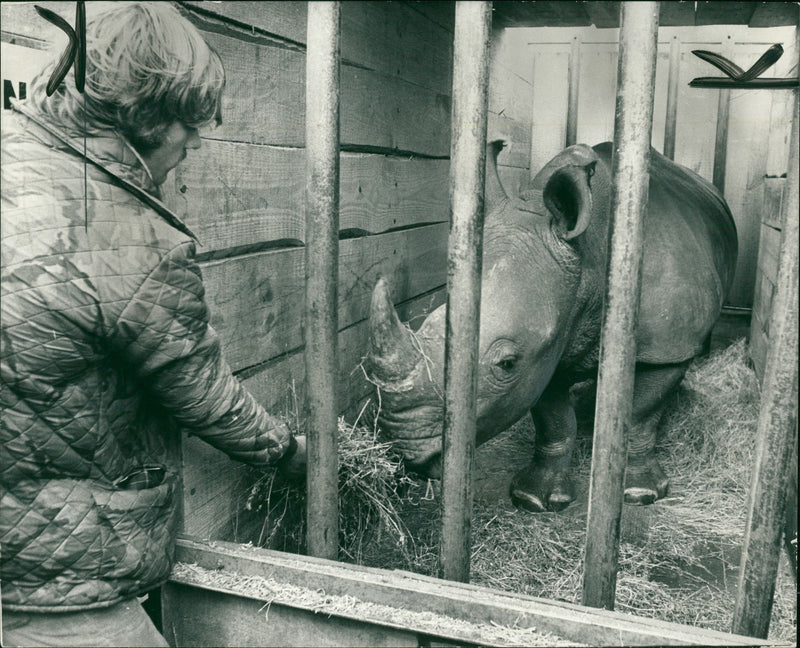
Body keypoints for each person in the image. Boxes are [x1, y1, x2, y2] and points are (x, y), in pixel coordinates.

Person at [0, 3, 306, 646]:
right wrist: (289, 452)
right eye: (188, 123)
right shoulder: (131, 234)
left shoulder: (14, 154)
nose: (195, 142)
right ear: (143, 115)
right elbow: (203, 392)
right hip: (52, 574)